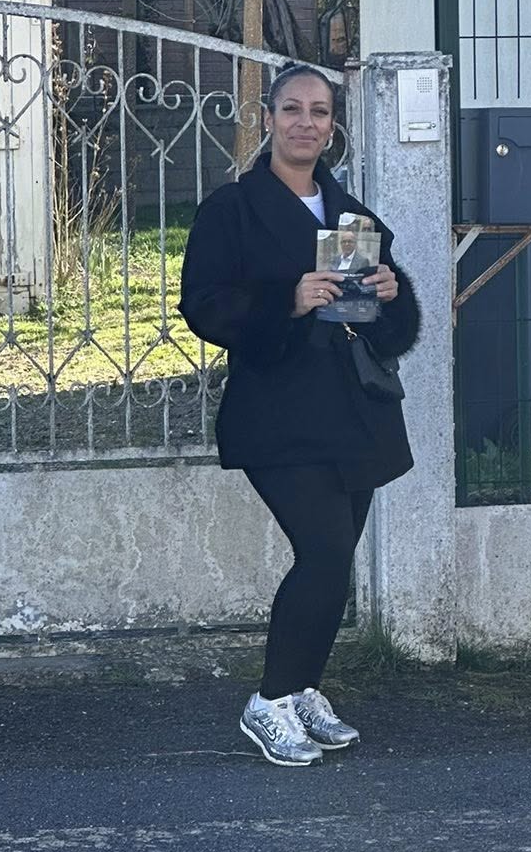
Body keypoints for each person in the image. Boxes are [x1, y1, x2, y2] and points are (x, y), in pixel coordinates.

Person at [179, 62, 421, 766]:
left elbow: (395, 333)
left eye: (319, 112)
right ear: (268, 120)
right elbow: (203, 305)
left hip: (355, 414)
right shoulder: (233, 209)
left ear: (333, 126)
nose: (305, 124)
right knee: (320, 555)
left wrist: (391, 292)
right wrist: (287, 300)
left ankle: (304, 689)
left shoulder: (354, 218)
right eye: (292, 110)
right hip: (277, 412)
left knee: (336, 562)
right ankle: (269, 701)